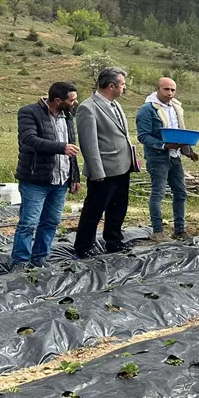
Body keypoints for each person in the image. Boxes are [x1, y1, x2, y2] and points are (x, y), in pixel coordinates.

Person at [12, 82, 81, 268]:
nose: (75, 103)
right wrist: (61, 147)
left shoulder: (67, 116)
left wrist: (75, 176)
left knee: (51, 222)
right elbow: (29, 140)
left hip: (60, 179)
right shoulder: (29, 112)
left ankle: (40, 258)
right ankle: (20, 261)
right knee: (28, 223)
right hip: (36, 179)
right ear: (58, 100)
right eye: (72, 100)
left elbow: (71, 147)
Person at [74, 67, 137, 258]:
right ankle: (84, 247)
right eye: (122, 85)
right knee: (94, 209)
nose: (124, 89)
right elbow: (89, 143)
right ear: (111, 86)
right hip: (104, 170)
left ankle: (113, 241)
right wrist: (96, 171)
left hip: (122, 166)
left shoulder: (115, 105)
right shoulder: (88, 107)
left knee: (118, 207)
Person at [136, 77, 199, 241]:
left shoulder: (176, 107)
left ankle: (180, 230)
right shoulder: (147, 109)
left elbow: (179, 131)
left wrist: (188, 150)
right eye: (166, 89)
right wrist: (163, 145)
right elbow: (143, 136)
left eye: (173, 90)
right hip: (158, 157)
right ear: (157, 89)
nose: (170, 93)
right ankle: (158, 231)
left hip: (175, 156)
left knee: (180, 192)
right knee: (158, 193)